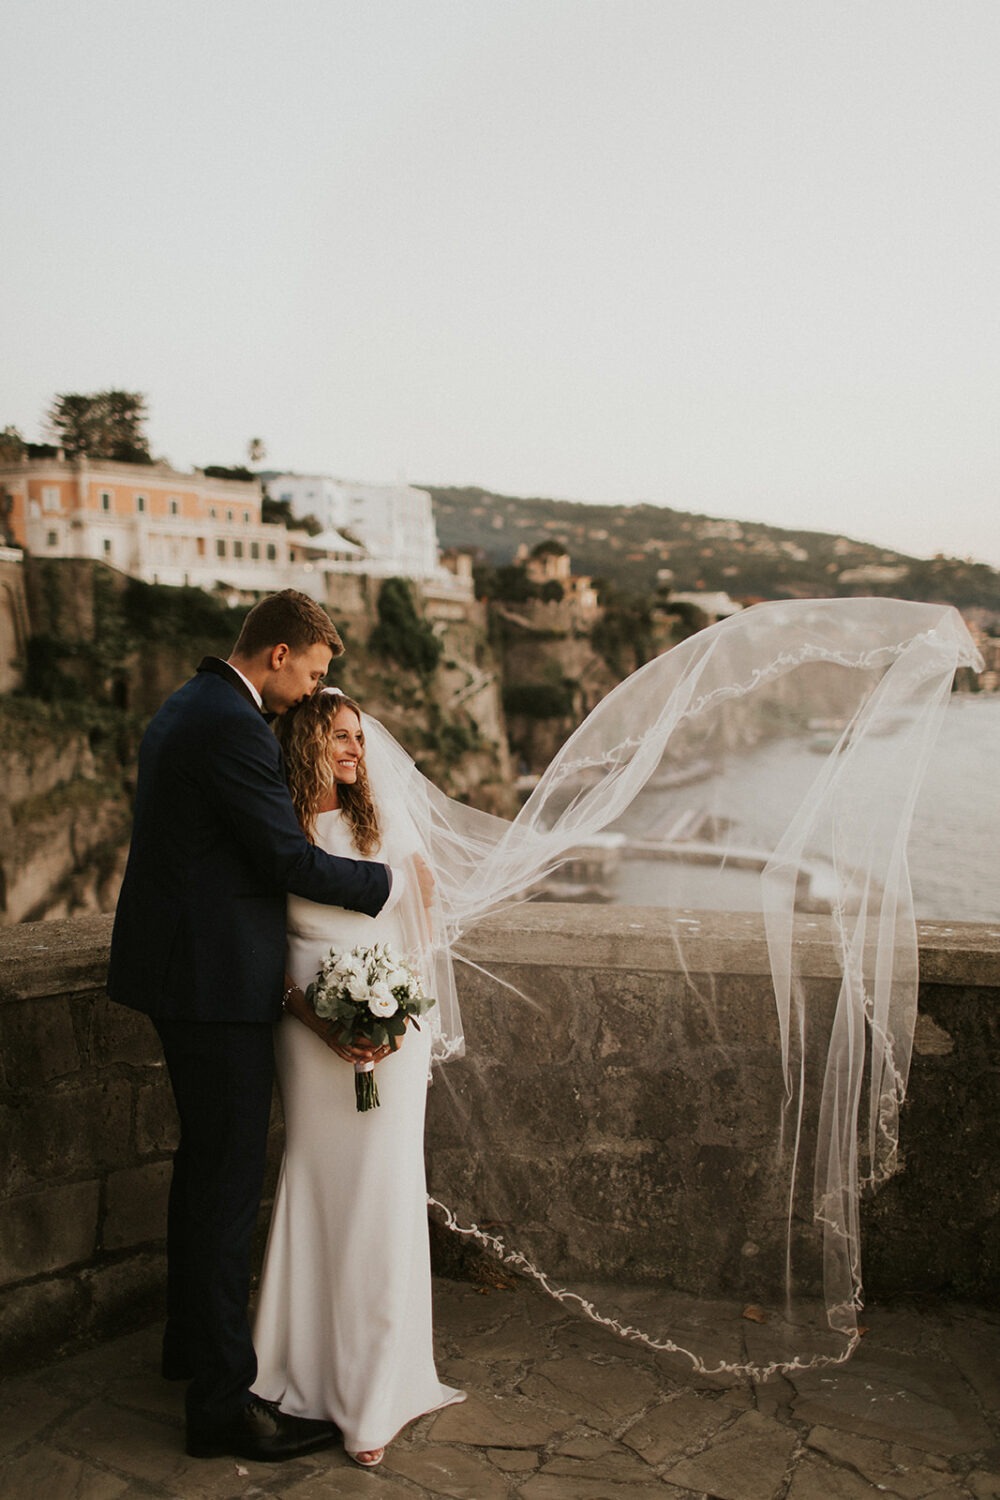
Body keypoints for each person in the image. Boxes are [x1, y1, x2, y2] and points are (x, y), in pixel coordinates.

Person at [108, 590, 423, 1463]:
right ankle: (220, 1405)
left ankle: (188, 1350)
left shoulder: (189, 701)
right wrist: (390, 887)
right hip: (211, 984)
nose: (314, 691)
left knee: (202, 1169)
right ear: (278, 653)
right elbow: (280, 858)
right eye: (315, 672)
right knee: (224, 1188)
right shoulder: (232, 722)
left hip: (184, 969)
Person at [252, 688, 465, 1469]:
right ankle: (293, 1368)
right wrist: (316, 1018)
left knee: (380, 1188)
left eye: (358, 738)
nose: (354, 749)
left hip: (393, 1032)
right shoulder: (278, 828)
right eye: (340, 736)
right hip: (304, 1033)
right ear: (307, 741)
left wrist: (393, 1016)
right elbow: (260, 937)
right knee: (315, 1178)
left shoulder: (380, 823)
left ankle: (376, 1392)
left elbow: (423, 925)